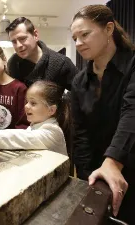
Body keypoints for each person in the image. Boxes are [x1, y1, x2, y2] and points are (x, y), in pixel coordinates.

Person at [70, 4, 135, 224]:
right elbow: (81, 136)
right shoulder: (79, 81)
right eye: (75, 38)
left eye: (85, 34)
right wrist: (87, 179)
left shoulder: (132, 66)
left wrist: (113, 162)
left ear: (108, 29)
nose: (78, 43)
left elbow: (131, 113)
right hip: (98, 175)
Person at [5, 17, 78, 91]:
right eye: (14, 42)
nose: (18, 45)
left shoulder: (61, 62)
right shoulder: (13, 63)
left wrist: (64, 102)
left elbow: (81, 91)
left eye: (22, 38)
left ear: (35, 35)